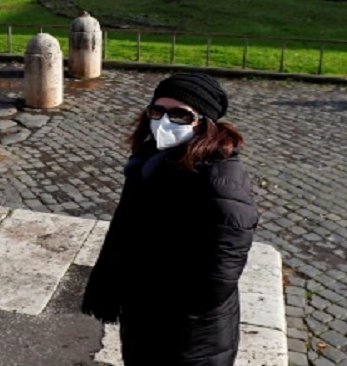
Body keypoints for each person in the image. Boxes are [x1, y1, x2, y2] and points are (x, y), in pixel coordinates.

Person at [82, 73, 258, 366]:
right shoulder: (153, 159)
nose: (164, 121)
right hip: (145, 314)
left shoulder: (221, 179)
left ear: (204, 122)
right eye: (157, 111)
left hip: (187, 333)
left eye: (179, 114)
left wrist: (158, 302)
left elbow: (219, 276)